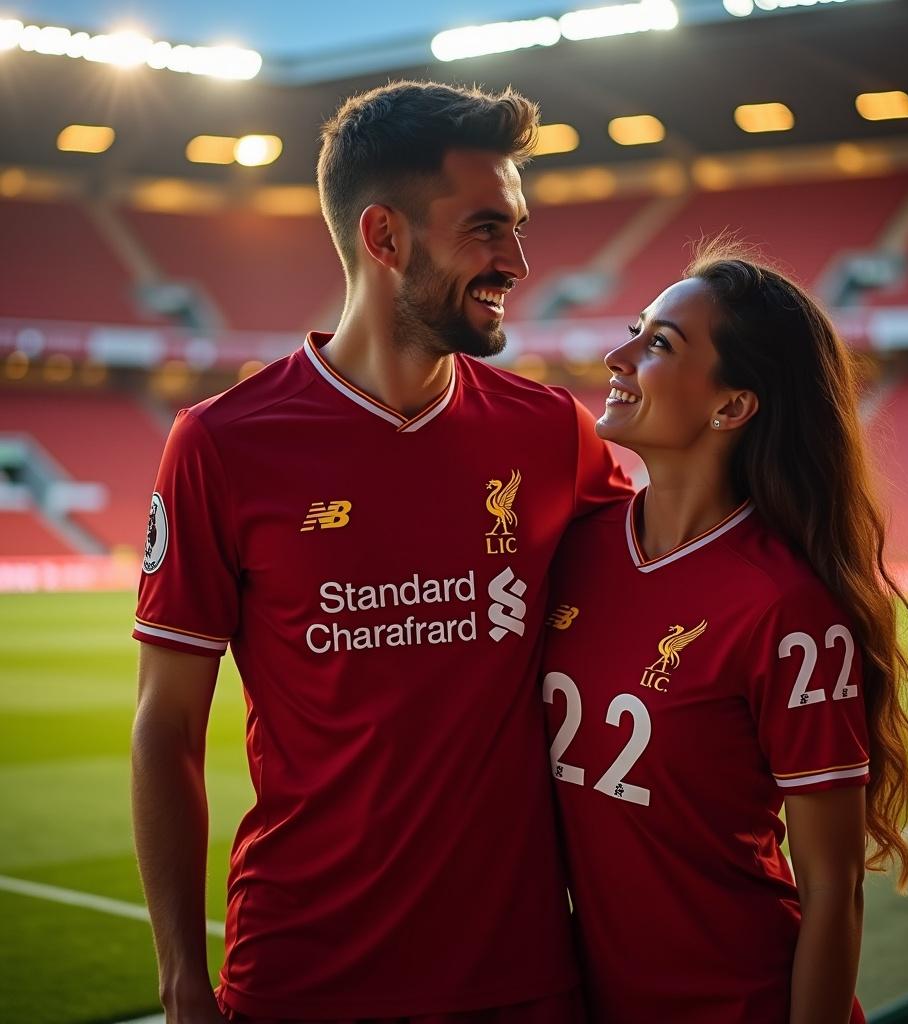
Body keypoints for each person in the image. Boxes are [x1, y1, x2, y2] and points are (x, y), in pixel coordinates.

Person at [130, 80, 630, 1024]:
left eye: (518, 226)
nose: (518, 259)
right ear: (384, 237)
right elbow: (165, 728)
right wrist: (180, 978)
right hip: (301, 978)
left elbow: (666, 580)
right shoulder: (222, 443)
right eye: (487, 228)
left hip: (521, 981)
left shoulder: (552, 434)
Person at [541, 243, 908, 1023]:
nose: (615, 357)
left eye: (658, 345)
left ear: (731, 406)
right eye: (635, 330)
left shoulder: (785, 605)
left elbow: (832, 887)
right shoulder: (575, 547)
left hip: (736, 1002)